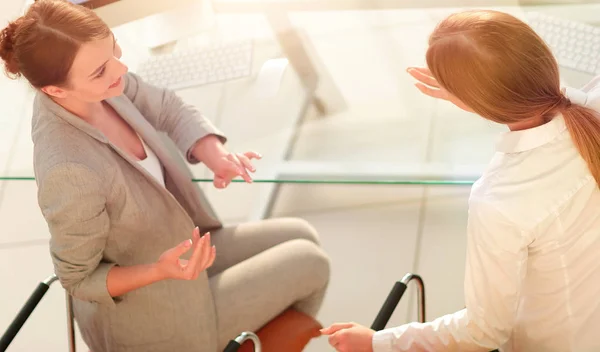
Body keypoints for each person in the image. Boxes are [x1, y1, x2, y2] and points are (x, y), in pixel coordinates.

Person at [0, 0, 330, 351]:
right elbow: (78, 279)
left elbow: (167, 107)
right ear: (55, 91)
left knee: (301, 233)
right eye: (101, 69)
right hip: (157, 317)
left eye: (113, 48)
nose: (121, 67)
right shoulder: (68, 169)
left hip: (183, 251)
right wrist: (160, 270)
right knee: (311, 263)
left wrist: (215, 156)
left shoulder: (99, 83)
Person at [321, 9, 600, 352]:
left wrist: (379, 342)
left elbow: (484, 332)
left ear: (472, 103)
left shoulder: (500, 201)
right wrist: (482, 87)